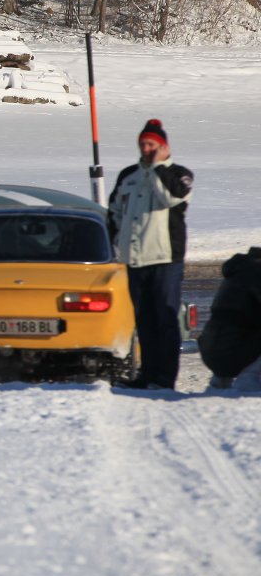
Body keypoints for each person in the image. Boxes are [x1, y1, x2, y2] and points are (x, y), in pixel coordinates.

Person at [107, 118, 194, 390]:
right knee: (144, 320)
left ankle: (165, 379)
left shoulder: (179, 174)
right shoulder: (128, 175)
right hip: (135, 259)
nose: (146, 149)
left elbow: (171, 198)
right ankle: (148, 374)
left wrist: (158, 167)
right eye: (143, 144)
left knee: (165, 319)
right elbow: (115, 211)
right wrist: (116, 242)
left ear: (164, 147)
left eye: (152, 145)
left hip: (165, 259)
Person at [197, 247, 261, 390]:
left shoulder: (238, 273)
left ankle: (220, 382)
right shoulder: (256, 275)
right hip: (233, 353)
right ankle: (249, 378)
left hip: (210, 352)